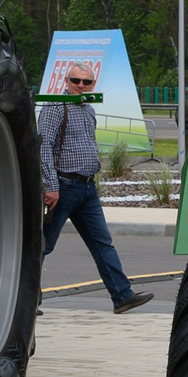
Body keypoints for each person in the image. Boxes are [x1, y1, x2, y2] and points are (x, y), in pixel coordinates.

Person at [39, 64, 153, 313]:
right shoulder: (55, 107)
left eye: (86, 82)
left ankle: (122, 297)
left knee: (103, 243)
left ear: (93, 84)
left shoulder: (88, 109)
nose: (81, 85)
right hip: (63, 188)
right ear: (66, 81)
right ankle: (25, 300)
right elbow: (44, 147)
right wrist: (51, 186)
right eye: (76, 80)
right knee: (43, 245)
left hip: (87, 189)